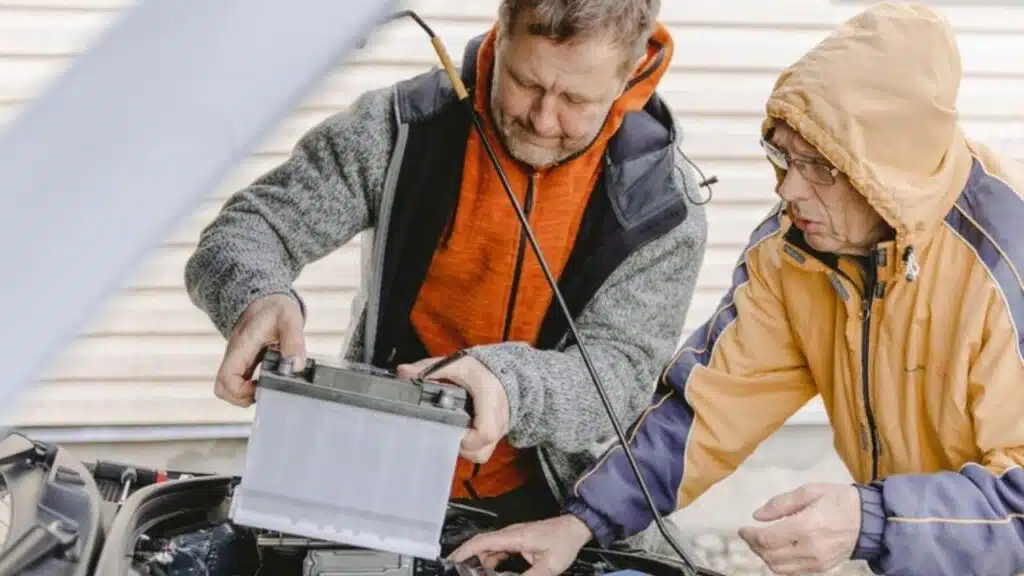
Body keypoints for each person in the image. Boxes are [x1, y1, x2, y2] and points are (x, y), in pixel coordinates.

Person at [449, 3, 1024, 575]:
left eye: (821, 166)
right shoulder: (797, 249)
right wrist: (579, 524)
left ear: (888, 170)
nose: (790, 187)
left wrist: (872, 520)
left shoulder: (1006, 267)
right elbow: (708, 407)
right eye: (782, 155)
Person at [184, 0, 708, 545]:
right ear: (501, 28)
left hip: (559, 509)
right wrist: (257, 296)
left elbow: (619, 379)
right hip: (375, 474)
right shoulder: (402, 127)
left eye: (576, 99)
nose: (542, 118)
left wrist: (507, 385)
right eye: (526, 82)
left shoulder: (662, 203)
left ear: (630, 71)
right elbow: (247, 230)